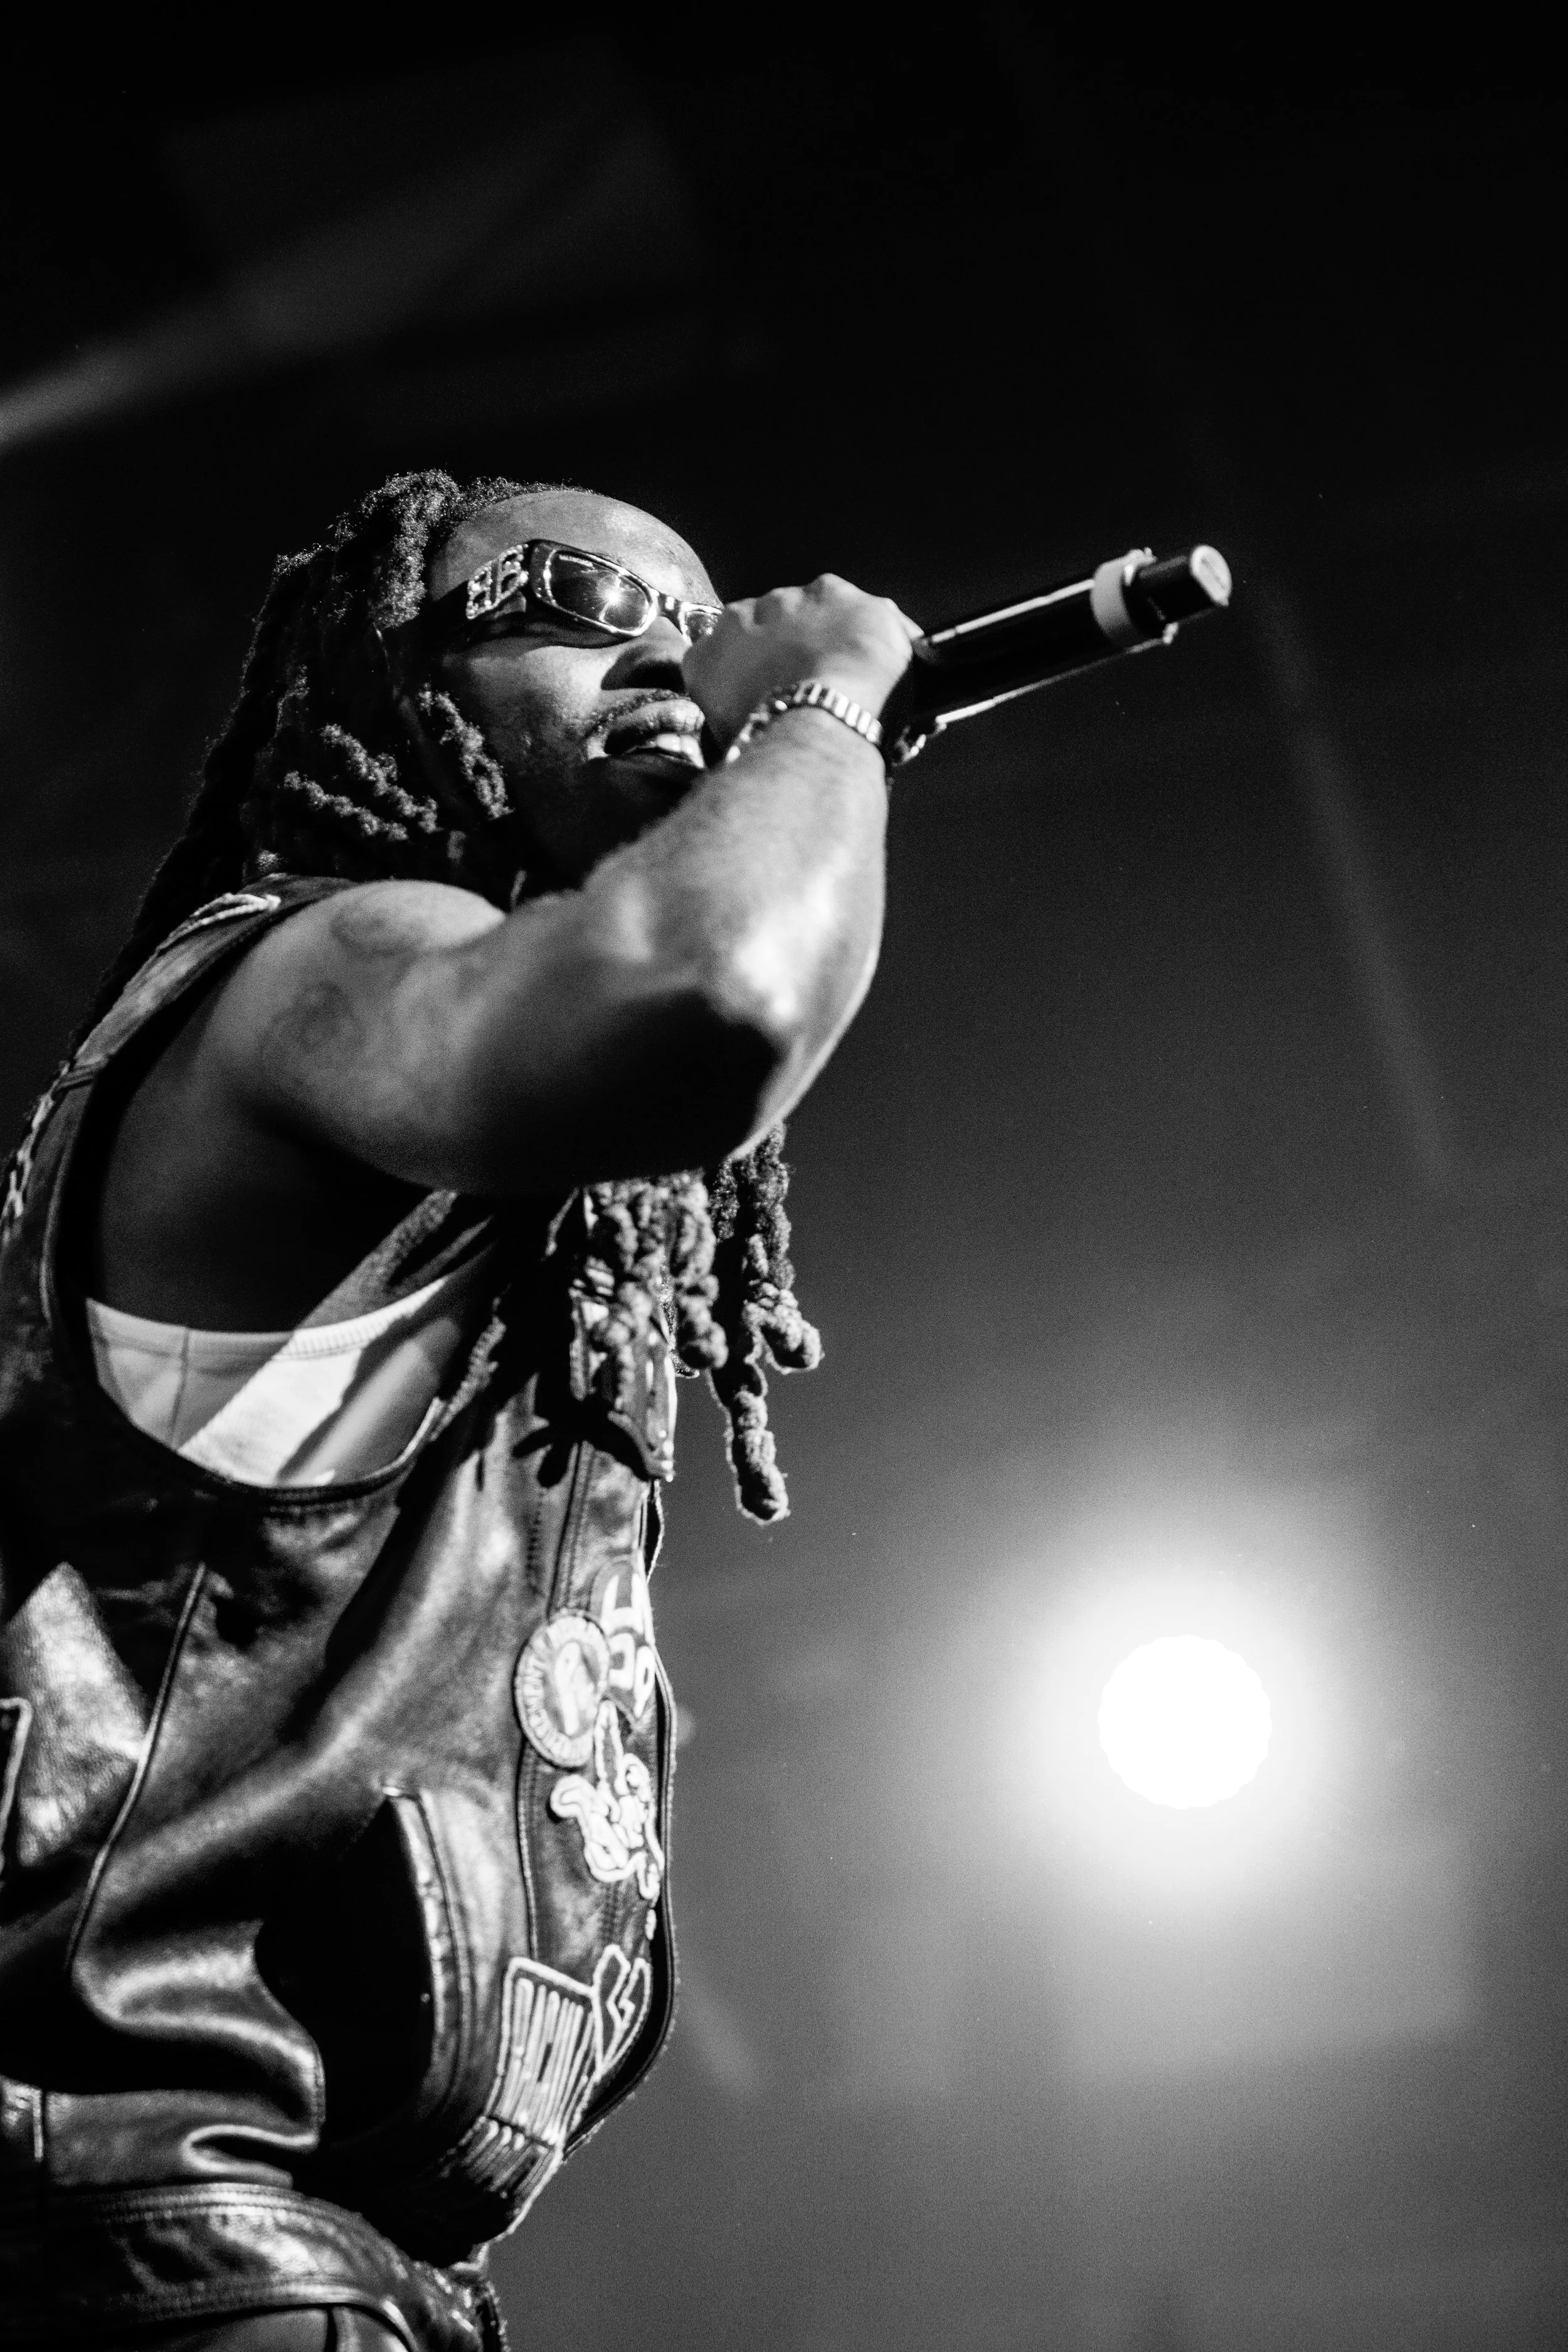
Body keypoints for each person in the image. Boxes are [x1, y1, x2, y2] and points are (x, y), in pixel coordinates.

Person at [0, 471, 914, 2350]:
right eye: (577, 597)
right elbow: (715, 997)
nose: (670, 653)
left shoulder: (511, 1190)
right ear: (393, 681)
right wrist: (825, 703)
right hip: (150, 2234)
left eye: (700, 619)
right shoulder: (319, 965)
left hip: (320, 2255)